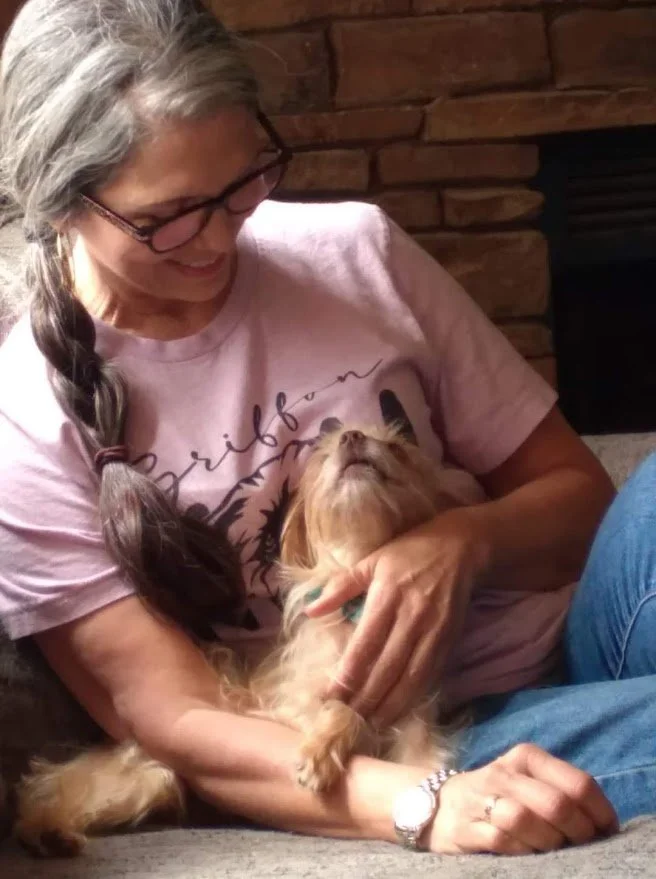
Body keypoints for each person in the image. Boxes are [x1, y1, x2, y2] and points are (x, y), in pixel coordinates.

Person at [0, 0, 650, 856]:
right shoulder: (26, 422)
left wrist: (464, 543)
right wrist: (426, 802)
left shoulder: (355, 251)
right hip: (422, 734)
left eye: (242, 182)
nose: (220, 236)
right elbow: (174, 716)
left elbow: (579, 502)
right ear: (58, 204)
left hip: (580, 626)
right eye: (166, 217)